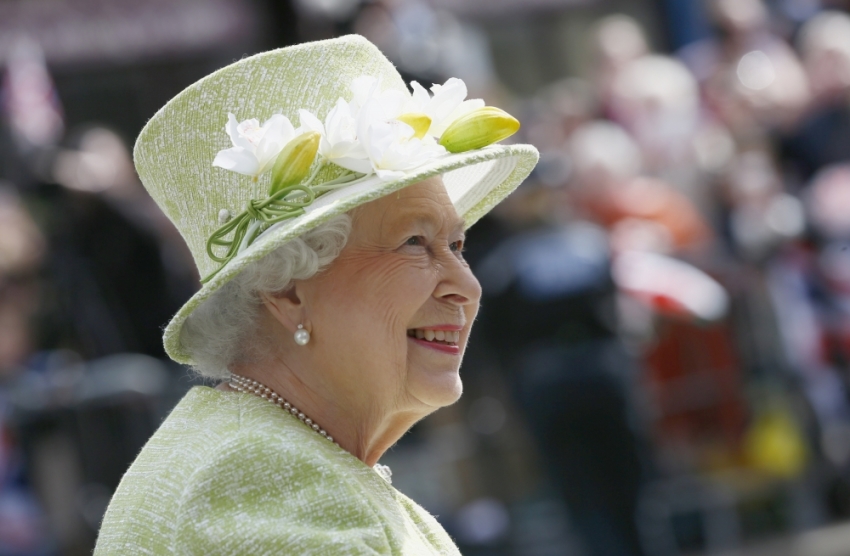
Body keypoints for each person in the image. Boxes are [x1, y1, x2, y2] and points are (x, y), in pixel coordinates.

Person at [93, 35, 537, 554]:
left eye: (457, 245)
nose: (466, 285)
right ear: (286, 290)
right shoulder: (261, 477)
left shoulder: (281, 453)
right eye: (415, 243)